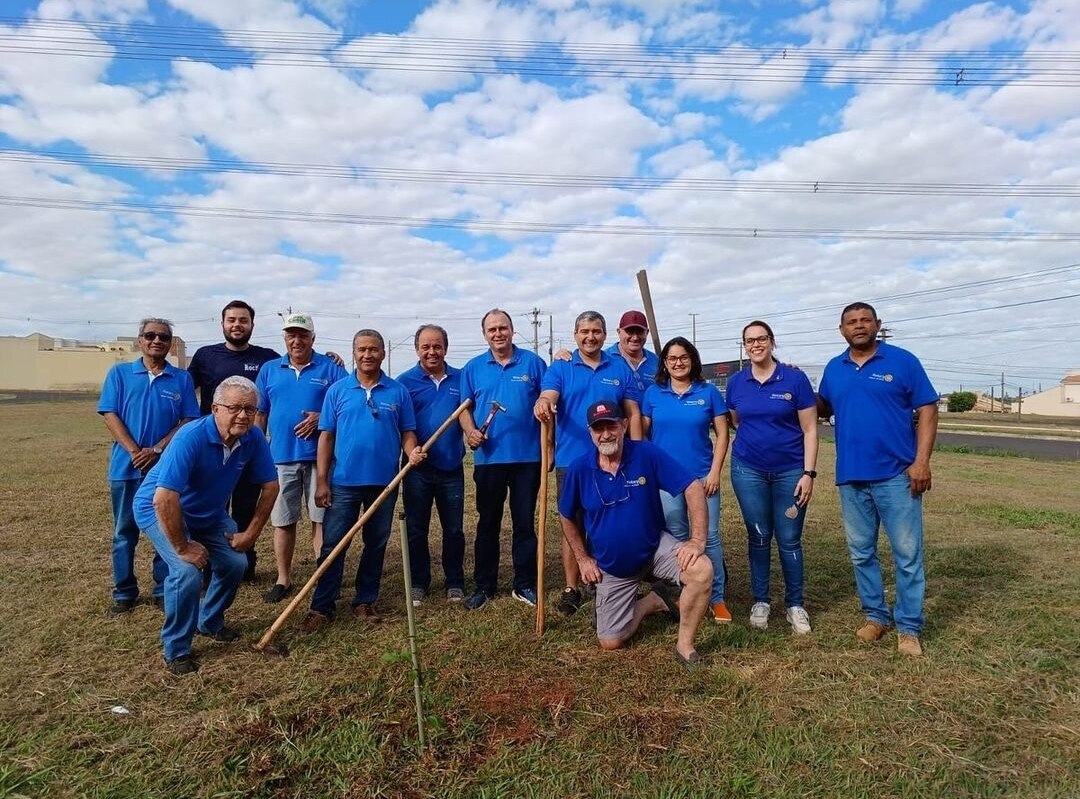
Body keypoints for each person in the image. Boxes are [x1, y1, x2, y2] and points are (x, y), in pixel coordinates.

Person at [133, 376, 278, 675]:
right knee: (186, 571)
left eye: (250, 409)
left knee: (235, 563)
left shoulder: (253, 438)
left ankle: (209, 621)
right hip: (159, 509)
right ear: (215, 408)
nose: (243, 415)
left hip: (208, 513)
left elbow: (271, 486)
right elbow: (164, 499)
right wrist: (183, 547)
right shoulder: (190, 437)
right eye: (234, 408)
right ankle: (176, 649)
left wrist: (251, 533)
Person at [818, 302, 938, 657]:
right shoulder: (834, 368)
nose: (859, 326)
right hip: (851, 476)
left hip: (897, 475)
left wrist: (922, 462)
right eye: (851, 322)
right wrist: (794, 386)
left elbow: (928, 409)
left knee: (907, 554)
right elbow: (823, 407)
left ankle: (909, 627)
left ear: (877, 325)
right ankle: (875, 616)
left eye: (865, 320)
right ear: (842, 330)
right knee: (861, 553)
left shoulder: (902, 361)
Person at [558, 400, 712, 669]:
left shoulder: (646, 454)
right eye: (598, 429)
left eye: (612, 426)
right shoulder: (579, 469)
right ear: (590, 432)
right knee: (610, 641)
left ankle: (685, 646)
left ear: (625, 425)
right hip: (612, 566)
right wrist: (582, 558)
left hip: (654, 548)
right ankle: (653, 601)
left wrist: (697, 540)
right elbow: (566, 515)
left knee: (702, 570)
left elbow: (692, 486)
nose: (606, 434)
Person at [300, 330, 424, 631]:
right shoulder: (337, 391)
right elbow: (326, 437)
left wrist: (412, 452)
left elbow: (407, 432)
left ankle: (365, 600)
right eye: (362, 349)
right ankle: (322, 606)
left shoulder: (397, 392)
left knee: (376, 543)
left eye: (373, 349)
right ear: (354, 353)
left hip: (385, 483)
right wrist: (323, 481)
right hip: (343, 482)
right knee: (333, 545)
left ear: (383, 353)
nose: (367, 355)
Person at [535, 311, 642, 616]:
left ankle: (606, 582)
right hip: (572, 461)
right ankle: (572, 588)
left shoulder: (619, 367)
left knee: (610, 522)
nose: (590, 337)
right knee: (573, 524)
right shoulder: (561, 366)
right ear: (575, 334)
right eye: (584, 331)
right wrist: (543, 403)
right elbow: (548, 396)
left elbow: (632, 412)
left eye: (596, 331)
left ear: (605, 335)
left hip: (613, 458)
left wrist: (638, 451)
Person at [98, 318, 199, 615]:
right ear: (140, 340)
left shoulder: (181, 378)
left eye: (164, 337)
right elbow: (110, 413)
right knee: (124, 531)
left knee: (166, 526)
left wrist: (157, 450)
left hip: (164, 468)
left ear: (170, 343)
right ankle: (124, 591)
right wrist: (134, 451)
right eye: (150, 335)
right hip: (126, 467)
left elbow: (188, 420)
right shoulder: (120, 373)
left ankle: (162, 588)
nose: (157, 341)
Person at [725, 321, 818, 634]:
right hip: (748, 469)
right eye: (749, 340)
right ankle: (761, 600)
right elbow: (737, 421)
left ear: (772, 341)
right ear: (744, 345)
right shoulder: (737, 382)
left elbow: (810, 429)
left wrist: (808, 473)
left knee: (789, 538)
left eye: (761, 338)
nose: (756, 344)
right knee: (759, 535)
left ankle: (795, 604)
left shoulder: (794, 379)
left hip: (791, 471)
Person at [254, 312, 346, 603]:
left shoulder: (331, 368)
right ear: (285, 338)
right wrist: (257, 452)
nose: (297, 340)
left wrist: (321, 418)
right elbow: (260, 414)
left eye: (303, 335)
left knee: (321, 520)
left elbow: (346, 405)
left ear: (313, 338)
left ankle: (323, 577)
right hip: (280, 458)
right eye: (291, 335)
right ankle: (283, 578)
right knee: (283, 520)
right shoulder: (269, 370)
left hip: (320, 460)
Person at [458, 309, 547, 610]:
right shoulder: (473, 368)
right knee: (488, 523)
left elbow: (548, 400)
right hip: (489, 460)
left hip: (527, 459)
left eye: (503, 328)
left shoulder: (533, 363)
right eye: (492, 329)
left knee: (524, 523)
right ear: (485, 334)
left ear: (512, 330)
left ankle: (524, 585)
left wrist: (549, 447)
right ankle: (484, 586)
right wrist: (471, 431)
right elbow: (465, 408)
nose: (498, 333)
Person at [187, 300, 280, 582]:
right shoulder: (205, 356)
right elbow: (184, 387)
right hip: (211, 447)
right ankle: (206, 564)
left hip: (247, 448)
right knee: (210, 506)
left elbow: (293, 366)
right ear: (222, 324)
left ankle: (243, 563)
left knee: (245, 506)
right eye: (232, 320)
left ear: (252, 324)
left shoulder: (267, 358)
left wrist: (332, 358)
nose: (237, 325)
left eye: (243, 320)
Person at [641, 337, 731, 623]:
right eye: (672, 358)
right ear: (664, 364)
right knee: (677, 536)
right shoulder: (653, 394)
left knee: (709, 537)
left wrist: (715, 472)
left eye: (683, 357)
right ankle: (687, 593)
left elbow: (723, 434)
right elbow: (642, 435)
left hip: (702, 476)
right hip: (666, 481)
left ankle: (717, 598)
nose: (678, 362)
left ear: (692, 360)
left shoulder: (708, 392)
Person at [396, 324, 466, 606]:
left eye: (437, 346)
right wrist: (412, 451)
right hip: (417, 470)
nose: (432, 352)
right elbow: (403, 426)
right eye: (426, 347)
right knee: (416, 529)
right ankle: (418, 583)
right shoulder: (404, 383)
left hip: (451, 468)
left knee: (454, 529)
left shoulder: (461, 378)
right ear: (417, 350)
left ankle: (455, 582)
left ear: (445, 348)